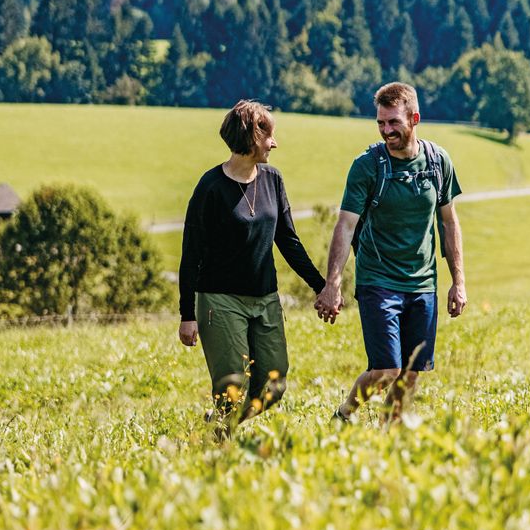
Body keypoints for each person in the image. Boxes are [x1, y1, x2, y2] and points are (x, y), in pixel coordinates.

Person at [316, 80, 466, 421]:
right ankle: (345, 413)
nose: (386, 130)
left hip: (423, 283)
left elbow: (449, 222)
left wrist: (458, 281)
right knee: (386, 371)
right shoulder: (368, 166)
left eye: (393, 122)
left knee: (411, 374)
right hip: (378, 280)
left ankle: (389, 434)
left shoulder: (437, 161)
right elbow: (345, 225)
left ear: (414, 118)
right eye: (381, 123)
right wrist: (333, 282)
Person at [178, 99, 330, 431]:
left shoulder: (273, 180)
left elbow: (288, 241)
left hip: (265, 300)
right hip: (220, 301)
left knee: (273, 386)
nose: (274, 143)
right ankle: (220, 443)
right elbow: (190, 255)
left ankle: (220, 427)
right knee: (232, 388)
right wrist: (187, 315)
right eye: (269, 137)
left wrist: (322, 286)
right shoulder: (210, 188)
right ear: (251, 137)